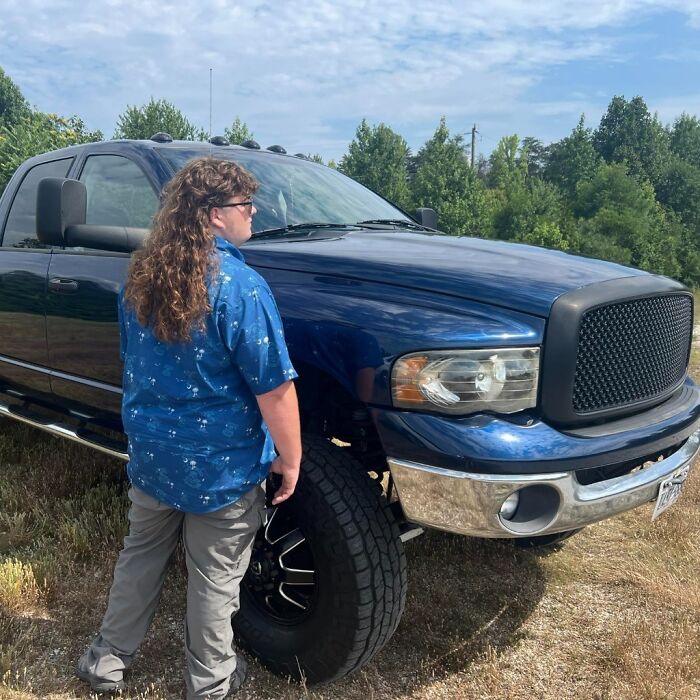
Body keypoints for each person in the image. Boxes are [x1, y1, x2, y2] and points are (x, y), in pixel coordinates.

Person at [76, 158, 301, 698]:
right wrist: (290, 459)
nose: (253, 213)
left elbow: (132, 363)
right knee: (214, 578)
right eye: (245, 204)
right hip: (219, 467)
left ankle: (107, 660)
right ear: (213, 215)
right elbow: (274, 389)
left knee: (141, 556)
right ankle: (210, 680)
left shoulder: (143, 278)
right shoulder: (241, 287)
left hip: (153, 456)